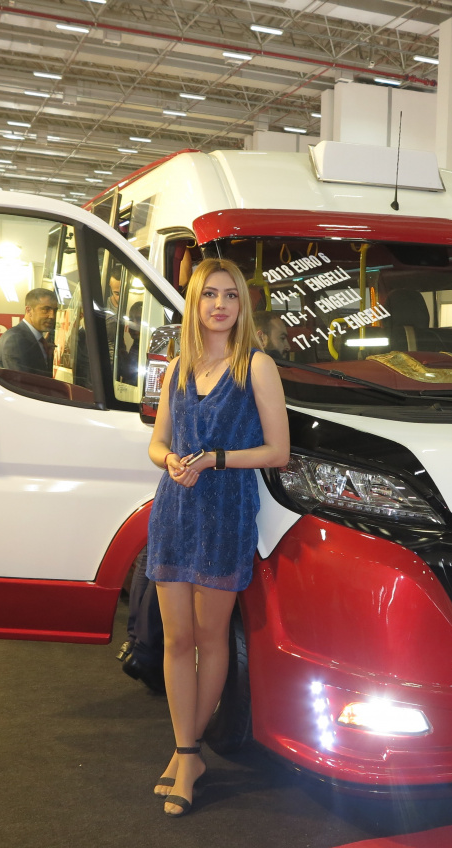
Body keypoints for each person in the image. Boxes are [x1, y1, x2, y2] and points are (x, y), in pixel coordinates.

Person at [145, 258, 289, 817]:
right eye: (210, 294)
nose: (220, 305)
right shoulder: (179, 365)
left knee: (210, 639)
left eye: (230, 295)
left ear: (242, 305)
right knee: (177, 640)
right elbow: (157, 442)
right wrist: (171, 459)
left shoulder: (256, 366)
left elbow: (278, 451)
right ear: (195, 303)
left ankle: (188, 753)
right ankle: (186, 752)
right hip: (174, 511)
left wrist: (215, 459)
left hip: (226, 511)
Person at [0, 288, 59, 377]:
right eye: (45, 310)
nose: (52, 316)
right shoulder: (15, 339)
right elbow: (20, 382)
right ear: (28, 310)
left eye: (55, 311)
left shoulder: (38, 341)